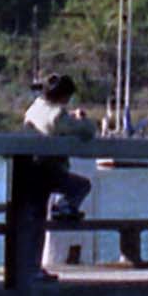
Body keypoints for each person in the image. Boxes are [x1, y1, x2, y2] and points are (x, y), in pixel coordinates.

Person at [23, 72, 94, 223]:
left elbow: (51, 120)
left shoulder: (34, 107)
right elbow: (86, 131)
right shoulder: (58, 115)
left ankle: (61, 209)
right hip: (49, 172)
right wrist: (83, 119)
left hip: (28, 170)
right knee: (82, 186)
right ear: (64, 95)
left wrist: (70, 115)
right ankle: (63, 208)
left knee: (35, 222)